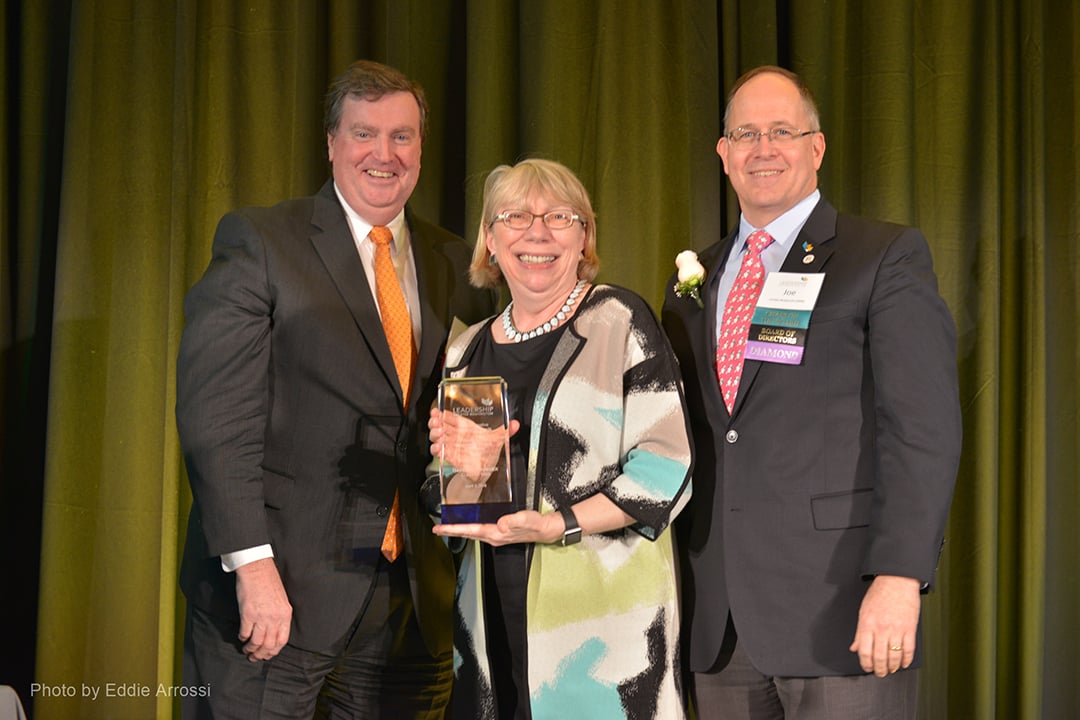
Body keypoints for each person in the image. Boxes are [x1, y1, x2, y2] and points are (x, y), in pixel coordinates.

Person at [175, 59, 495, 718]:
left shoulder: (451, 261)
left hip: (410, 606)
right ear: (330, 143)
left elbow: (478, 388)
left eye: (402, 136)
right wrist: (253, 568)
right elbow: (216, 421)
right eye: (364, 134)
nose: (384, 154)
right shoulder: (262, 242)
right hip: (277, 598)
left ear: (421, 148)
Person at [662, 66, 961, 719]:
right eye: (745, 134)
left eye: (781, 132)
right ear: (723, 153)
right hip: (720, 624)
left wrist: (900, 576)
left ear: (816, 148)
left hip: (843, 614)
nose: (762, 149)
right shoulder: (695, 279)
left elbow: (922, 430)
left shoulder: (880, 256)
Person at [426, 158, 694, 719]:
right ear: (491, 241)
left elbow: (666, 468)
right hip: (489, 632)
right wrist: (454, 470)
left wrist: (558, 523)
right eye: (516, 216)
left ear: (584, 237)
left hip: (603, 643)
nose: (537, 232)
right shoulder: (466, 349)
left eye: (559, 216)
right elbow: (446, 493)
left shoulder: (619, 320)